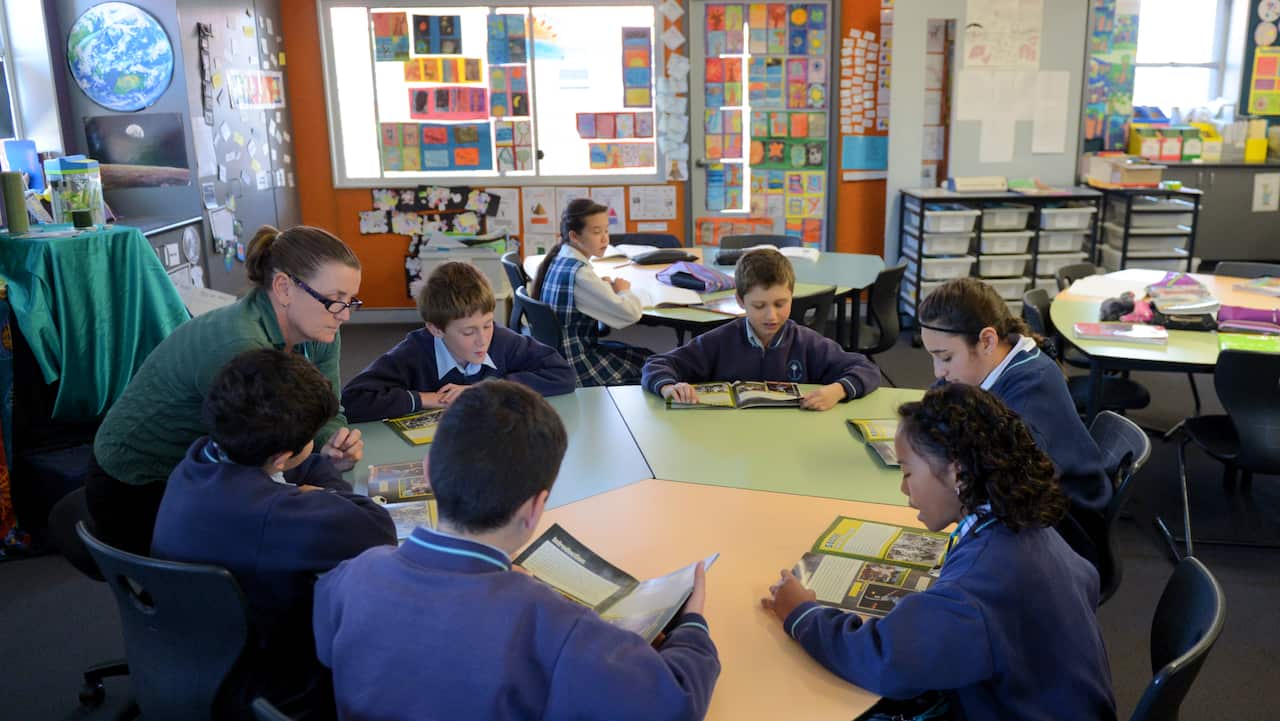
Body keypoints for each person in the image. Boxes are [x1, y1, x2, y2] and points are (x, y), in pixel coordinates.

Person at [314, 381, 721, 721]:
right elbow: (675, 705)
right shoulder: (556, 625)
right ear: (535, 508)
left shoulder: (351, 575)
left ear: (427, 473)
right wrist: (692, 628)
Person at [761, 384, 1117, 721]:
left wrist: (800, 613)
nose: (903, 487)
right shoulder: (1025, 522)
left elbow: (885, 661)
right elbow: (1087, 578)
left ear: (957, 473)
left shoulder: (975, 586)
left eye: (907, 472)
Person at [89, 225, 366, 555]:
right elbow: (251, 459)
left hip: (208, 470)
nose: (345, 315)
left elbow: (326, 410)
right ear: (284, 288)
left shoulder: (320, 329)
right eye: (335, 301)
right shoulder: (241, 347)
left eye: (351, 301)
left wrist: (335, 442)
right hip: (139, 486)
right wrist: (305, 487)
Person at [152, 349, 395, 720]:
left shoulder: (200, 456)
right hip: (271, 681)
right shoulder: (274, 514)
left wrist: (319, 465)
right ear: (281, 458)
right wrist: (327, 484)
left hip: (194, 649)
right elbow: (376, 528)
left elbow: (278, 473)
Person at [917, 277, 1112, 562]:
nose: (938, 371)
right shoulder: (995, 365)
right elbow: (939, 400)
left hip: (1065, 536)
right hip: (1034, 516)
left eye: (945, 357)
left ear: (987, 340)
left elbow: (1005, 487)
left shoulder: (1030, 390)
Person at [641, 247, 881, 410]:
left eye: (780, 303)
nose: (771, 316)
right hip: (734, 442)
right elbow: (657, 364)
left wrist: (837, 391)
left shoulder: (806, 342)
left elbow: (866, 369)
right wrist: (669, 387)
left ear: (791, 296)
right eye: (759, 305)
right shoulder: (721, 340)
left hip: (791, 443)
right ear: (740, 301)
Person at [341, 261, 575, 422]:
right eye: (468, 332)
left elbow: (562, 374)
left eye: (487, 324)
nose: (482, 340)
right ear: (436, 329)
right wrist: (427, 399)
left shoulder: (503, 341)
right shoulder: (414, 352)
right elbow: (352, 401)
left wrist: (487, 389)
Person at [530, 197, 653, 386]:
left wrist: (600, 287)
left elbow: (582, 291)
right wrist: (623, 291)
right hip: (576, 364)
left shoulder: (561, 257)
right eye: (596, 232)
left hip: (559, 357)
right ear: (574, 236)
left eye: (606, 230)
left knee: (640, 355)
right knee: (652, 362)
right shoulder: (580, 275)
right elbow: (631, 313)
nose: (605, 238)